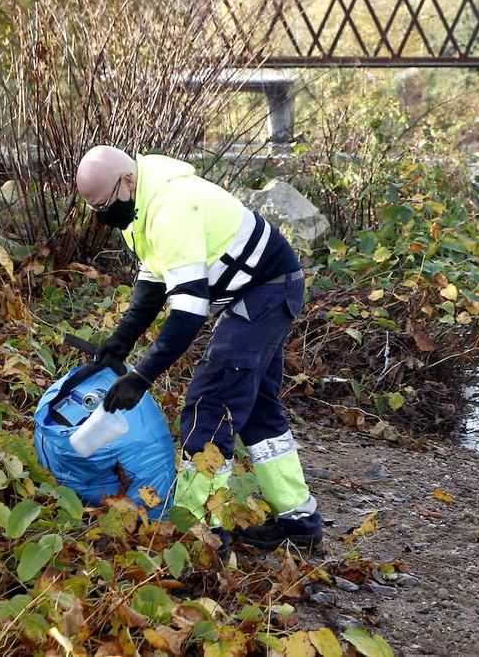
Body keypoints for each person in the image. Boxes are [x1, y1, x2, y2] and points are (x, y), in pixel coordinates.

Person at [74, 145, 322, 550]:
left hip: (264, 292)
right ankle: (300, 521)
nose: (102, 218)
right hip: (265, 290)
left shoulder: (172, 208)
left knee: (210, 404)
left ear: (127, 180)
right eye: (94, 210)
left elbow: (189, 313)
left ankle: (201, 534)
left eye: (104, 206)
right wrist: (119, 342)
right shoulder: (140, 202)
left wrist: (142, 376)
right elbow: (153, 282)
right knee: (257, 409)